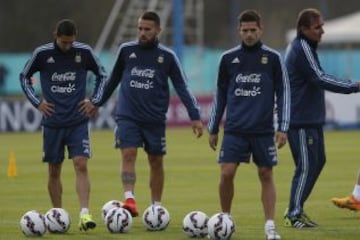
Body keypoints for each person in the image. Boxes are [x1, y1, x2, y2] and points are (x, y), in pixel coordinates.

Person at [96, 11, 203, 217]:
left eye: (147, 29)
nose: (142, 33)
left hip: (154, 119)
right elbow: (112, 81)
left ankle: (156, 206)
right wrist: (96, 103)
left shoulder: (168, 57)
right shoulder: (126, 50)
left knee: (156, 160)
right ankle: (130, 199)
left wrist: (195, 115)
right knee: (128, 153)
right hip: (128, 115)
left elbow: (182, 86)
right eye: (140, 29)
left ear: (158, 30)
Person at [208, 9, 290, 240]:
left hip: (263, 130)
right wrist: (213, 128)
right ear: (239, 31)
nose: (250, 34)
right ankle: (225, 220)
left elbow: (284, 93)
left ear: (260, 30)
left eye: (253, 30)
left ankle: (270, 226)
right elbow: (220, 95)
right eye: (245, 31)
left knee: (265, 173)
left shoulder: (273, 58)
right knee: (226, 173)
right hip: (234, 129)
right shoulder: (228, 58)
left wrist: (283, 127)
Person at [19, 19, 107, 231]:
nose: (67, 46)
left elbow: (102, 74)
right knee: (54, 171)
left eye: (70, 42)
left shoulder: (84, 52)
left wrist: (94, 100)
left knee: (81, 164)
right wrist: (37, 102)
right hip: (53, 123)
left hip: (78, 120)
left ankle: (85, 214)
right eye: (63, 42)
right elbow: (24, 77)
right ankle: (57, 215)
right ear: (55, 35)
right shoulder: (42, 54)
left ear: (75, 38)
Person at [283, 8, 360, 228]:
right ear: (304, 29)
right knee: (306, 167)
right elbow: (320, 78)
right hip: (300, 120)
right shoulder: (302, 48)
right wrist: (354, 86)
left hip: (310, 118)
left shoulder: (305, 47)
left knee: (317, 161)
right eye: (318, 27)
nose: (322, 31)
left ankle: (295, 208)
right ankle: (294, 214)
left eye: (322, 26)